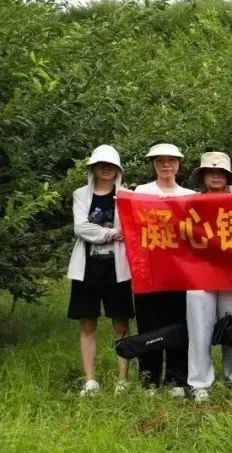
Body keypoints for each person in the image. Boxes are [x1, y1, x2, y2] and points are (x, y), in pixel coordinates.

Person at [67, 145, 135, 396]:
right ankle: (90, 381)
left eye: (111, 165)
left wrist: (107, 234)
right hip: (87, 267)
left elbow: (132, 228)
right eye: (101, 165)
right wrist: (114, 233)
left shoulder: (127, 195)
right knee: (87, 324)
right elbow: (80, 228)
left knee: (121, 324)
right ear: (93, 168)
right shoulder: (80, 194)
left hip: (117, 267)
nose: (106, 169)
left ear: (118, 169)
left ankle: (123, 380)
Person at [133, 143, 194, 396]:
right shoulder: (141, 192)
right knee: (150, 324)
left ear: (179, 164)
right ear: (153, 165)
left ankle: (176, 379)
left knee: (179, 324)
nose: (166, 165)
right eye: (160, 161)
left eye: (171, 160)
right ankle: (149, 379)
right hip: (149, 271)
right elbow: (133, 226)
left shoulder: (190, 195)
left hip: (181, 272)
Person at [185, 152, 232, 402]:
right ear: (202, 177)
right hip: (198, 274)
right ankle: (199, 383)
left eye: (220, 172)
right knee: (199, 327)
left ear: (228, 177)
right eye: (210, 172)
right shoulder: (190, 203)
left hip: (230, 275)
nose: (215, 176)